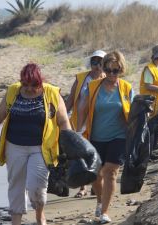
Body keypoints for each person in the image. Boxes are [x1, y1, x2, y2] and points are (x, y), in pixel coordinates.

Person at [0, 63, 71, 225]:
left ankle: (39, 213)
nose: (29, 89)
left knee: (36, 187)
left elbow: (63, 121)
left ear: (40, 82)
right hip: (15, 147)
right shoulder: (14, 91)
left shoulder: (52, 93)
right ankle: (16, 220)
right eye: (25, 84)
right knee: (16, 185)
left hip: (41, 149)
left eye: (34, 85)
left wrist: (71, 145)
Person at [77, 51, 134, 223]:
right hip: (95, 137)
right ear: (103, 69)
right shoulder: (93, 87)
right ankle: (100, 201)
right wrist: (77, 132)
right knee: (95, 175)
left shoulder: (126, 88)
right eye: (108, 70)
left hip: (118, 137)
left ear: (121, 70)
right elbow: (82, 109)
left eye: (115, 71)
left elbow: (132, 113)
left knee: (110, 172)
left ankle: (105, 212)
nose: (111, 74)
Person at [65, 49, 107, 198]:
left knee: (98, 154)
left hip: (99, 123)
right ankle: (82, 187)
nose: (97, 65)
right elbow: (71, 99)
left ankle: (95, 185)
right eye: (94, 61)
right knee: (81, 154)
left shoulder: (108, 79)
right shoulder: (81, 78)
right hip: (79, 123)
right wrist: (61, 116)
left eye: (100, 62)